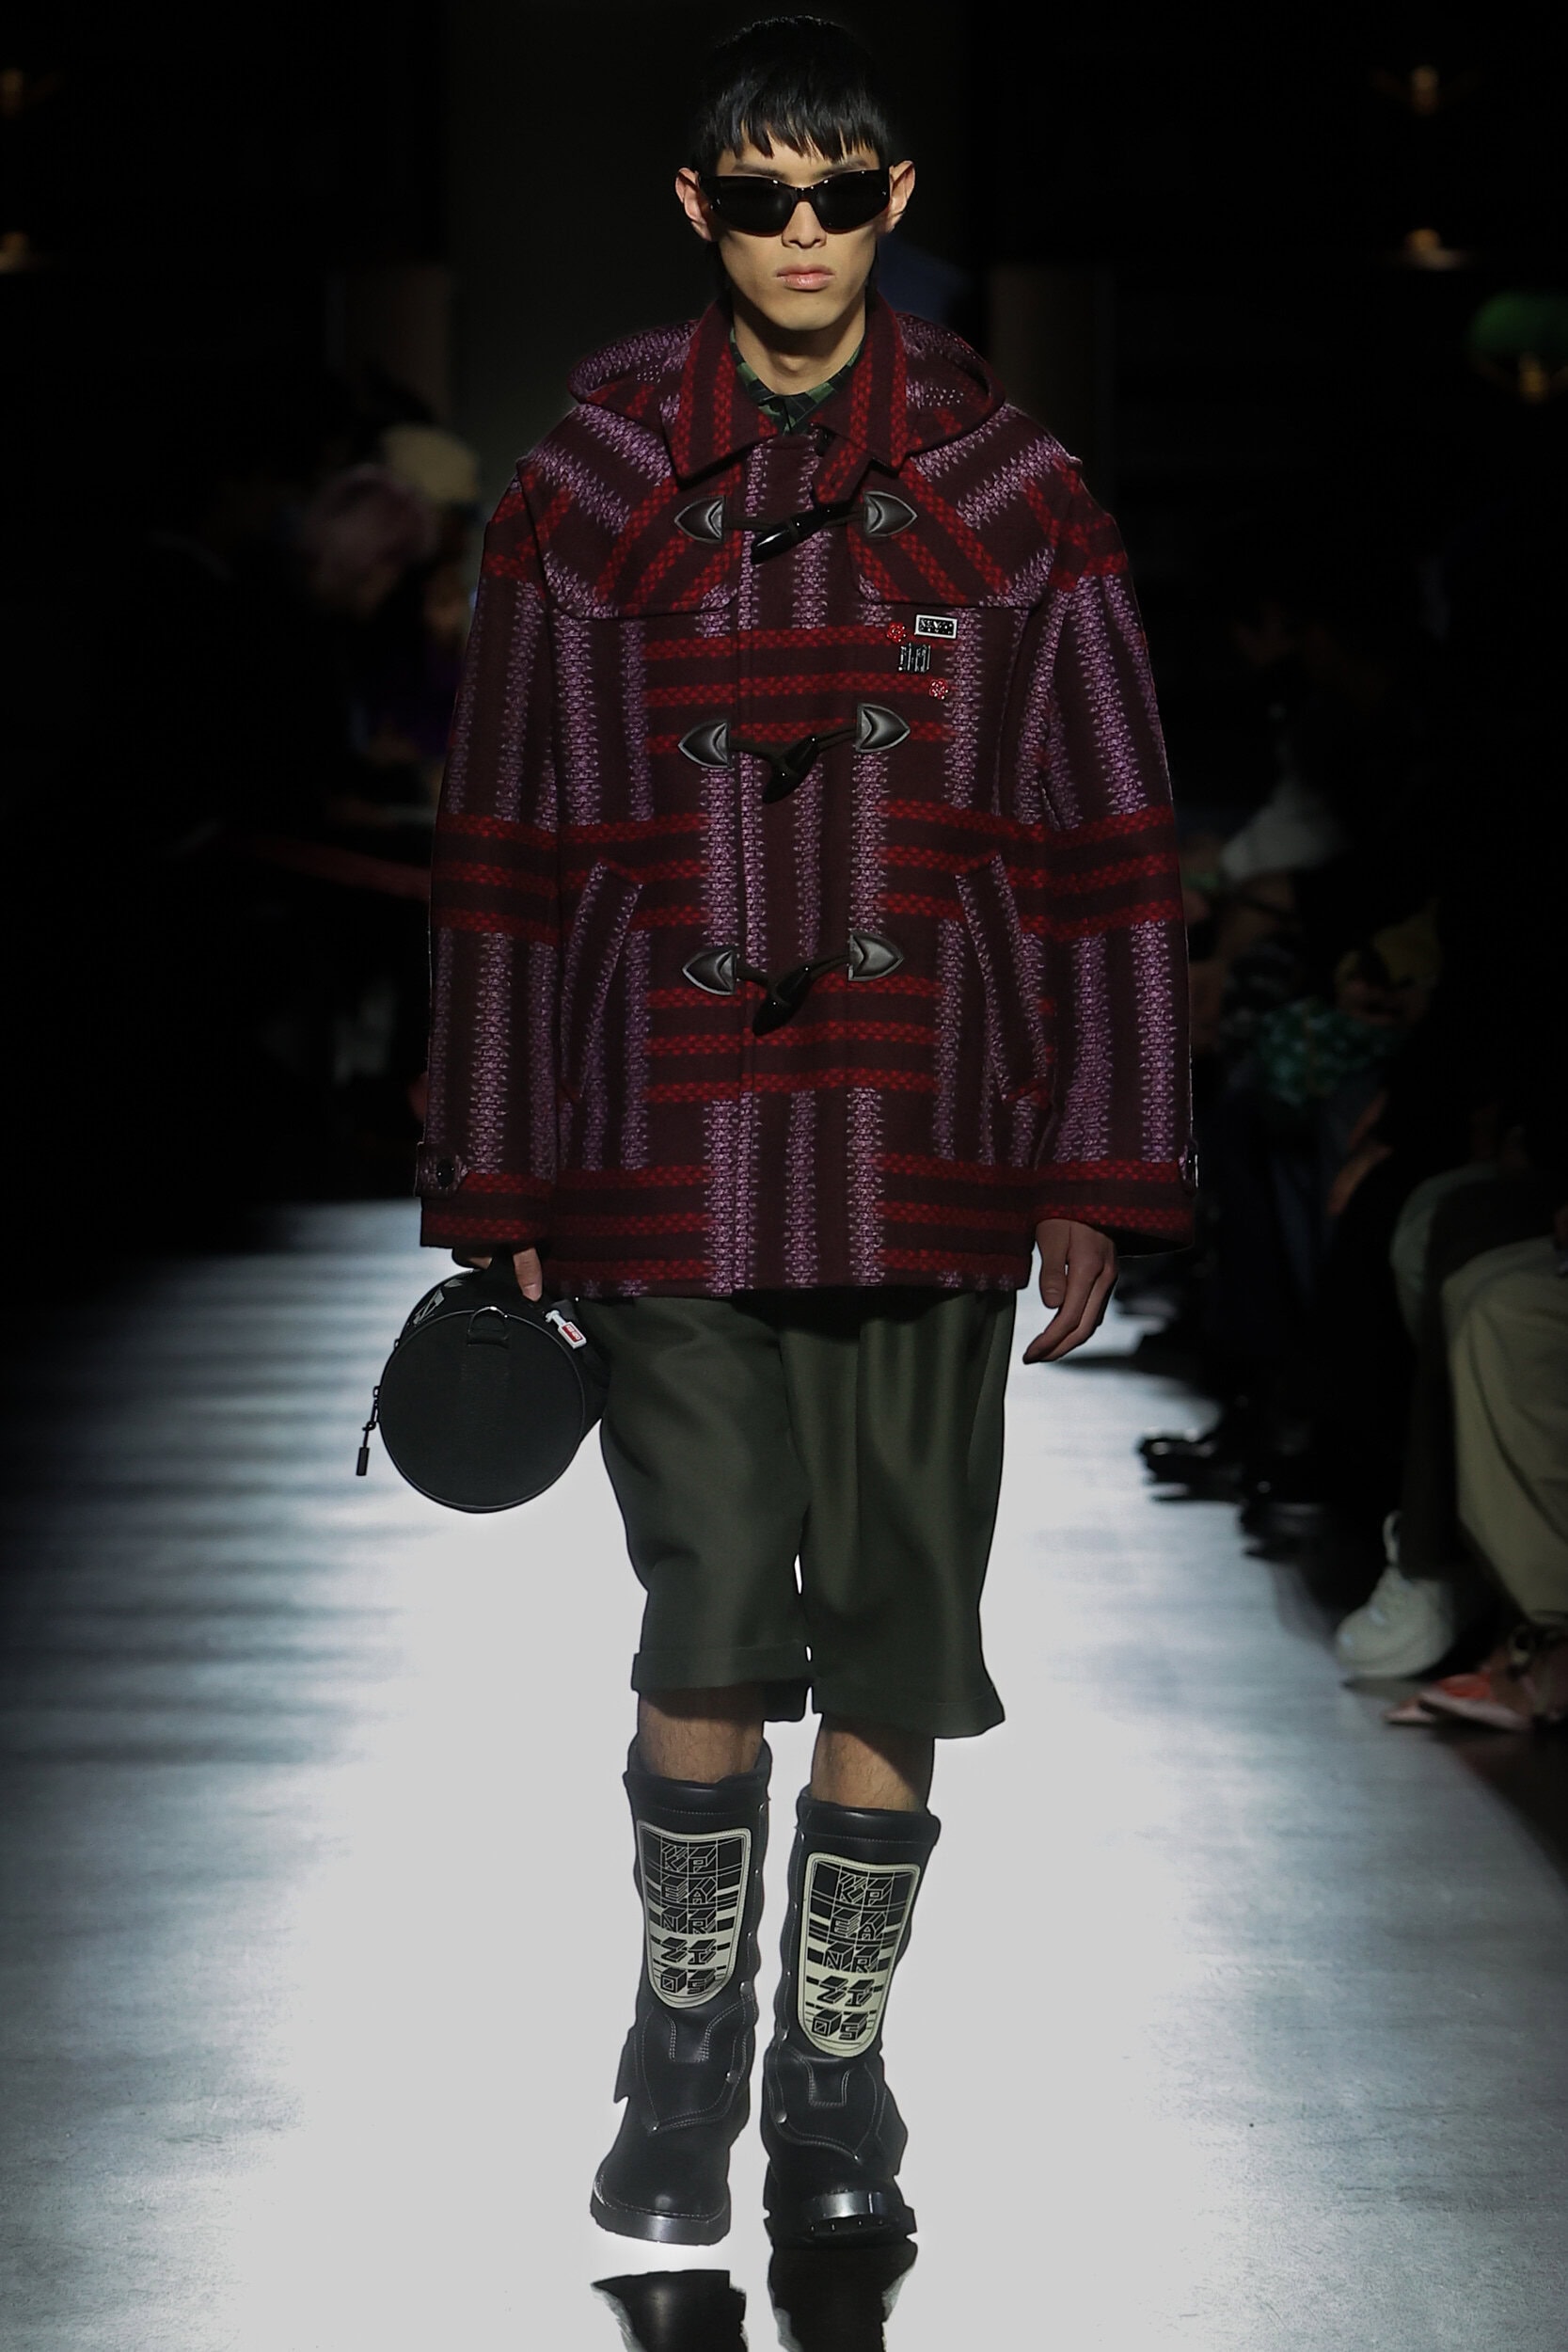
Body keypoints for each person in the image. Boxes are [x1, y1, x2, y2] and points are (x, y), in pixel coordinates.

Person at [416, 14, 1193, 2250]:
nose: (801, 234)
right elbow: (503, 841)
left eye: (838, 193)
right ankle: (679, 2064)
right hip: (656, 1141)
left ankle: (830, 2086)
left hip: (930, 1132)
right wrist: (495, 1167)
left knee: (898, 1629)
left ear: (892, 201)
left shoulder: (1019, 493)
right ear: (699, 208)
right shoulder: (582, 492)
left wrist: (1099, 1161)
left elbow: (1111, 838)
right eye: (759, 196)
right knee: (709, 1602)